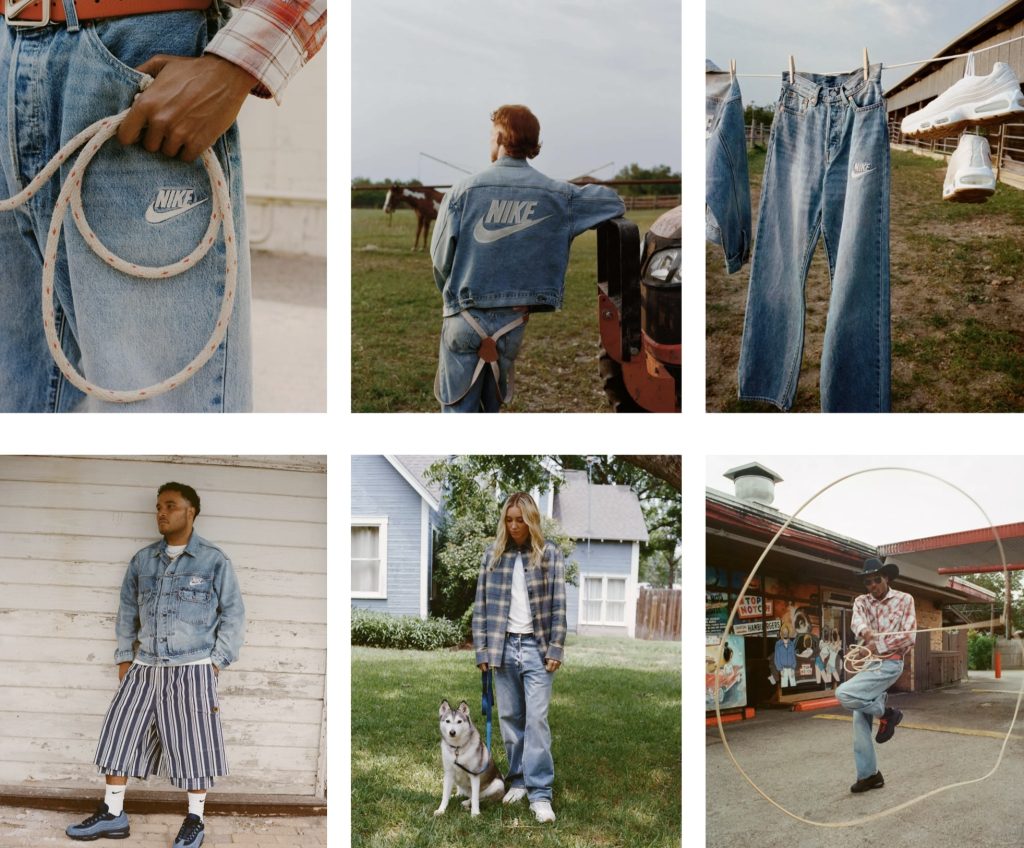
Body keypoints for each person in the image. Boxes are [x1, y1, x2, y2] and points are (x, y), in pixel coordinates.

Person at [0, 0, 326, 412]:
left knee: (164, 413)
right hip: (8, 50)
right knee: (15, 407)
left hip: (140, 56)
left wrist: (236, 66)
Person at [66, 482, 245, 847]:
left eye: (170, 506)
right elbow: (126, 613)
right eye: (158, 507)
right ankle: (113, 815)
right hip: (145, 666)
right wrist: (125, 657)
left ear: (191, 511)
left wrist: (215, 663)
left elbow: (235, 615)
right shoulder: (143, 561)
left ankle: (195, 820)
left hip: (192, 667)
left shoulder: (214, 561)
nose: (161, 513)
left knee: (195, 745)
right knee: (119, 734)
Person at [430, 104, 626, 413]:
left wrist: (453, 298)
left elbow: (441, 260)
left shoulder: (461, 192)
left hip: (463, 319)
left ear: (500, 136)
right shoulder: (558, 195)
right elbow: (614, 203)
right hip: (511, 326)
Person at [472, 492, 566, 822]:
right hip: (502, 646)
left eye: (520, 520)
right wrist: (482, 649)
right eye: (509, 519)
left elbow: (558, 605)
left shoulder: (549, 554)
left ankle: (540, 793)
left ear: (531, 520)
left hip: (536, 649)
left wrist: (556, 647)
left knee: (536, 721)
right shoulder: (492, 556)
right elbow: (481, 606)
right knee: (510, 719)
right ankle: (519, 780)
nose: (514, 526)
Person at [835, 558, 916, 794]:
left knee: (844, 693)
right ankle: (870, 775)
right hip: (870, 665)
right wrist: (865, 632)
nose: (873, 585)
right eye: (868, 582)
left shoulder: (905, 599)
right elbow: (857, 621)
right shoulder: (861, 601)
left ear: (886, 578)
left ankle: (887, 713)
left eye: (877, 580)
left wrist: (876, 644)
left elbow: (909, 637)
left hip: (890, 664)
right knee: (859, 721)